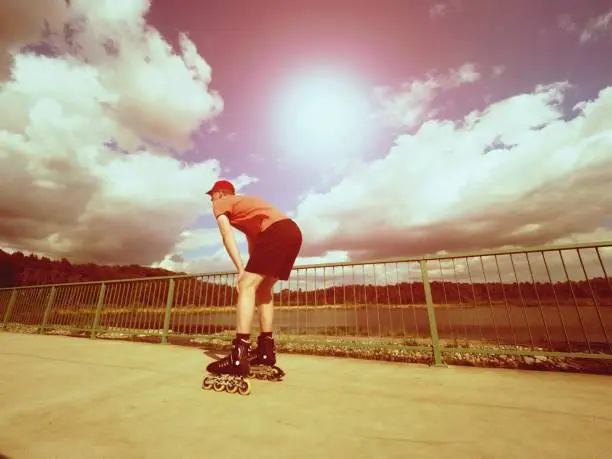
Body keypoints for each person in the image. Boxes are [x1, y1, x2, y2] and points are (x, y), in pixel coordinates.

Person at [204, 179, 302, 380]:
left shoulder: (222, 203)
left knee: (246, 285)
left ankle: (239, 355)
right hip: (292, 232)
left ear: (220, 194)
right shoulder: (247, 211)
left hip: (276, 233)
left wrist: (241, 272)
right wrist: (249, 272)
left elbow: (226, 235)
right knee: (263, 289)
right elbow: (255, 247)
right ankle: (266, 351)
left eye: (212, 195)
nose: (211, 200)